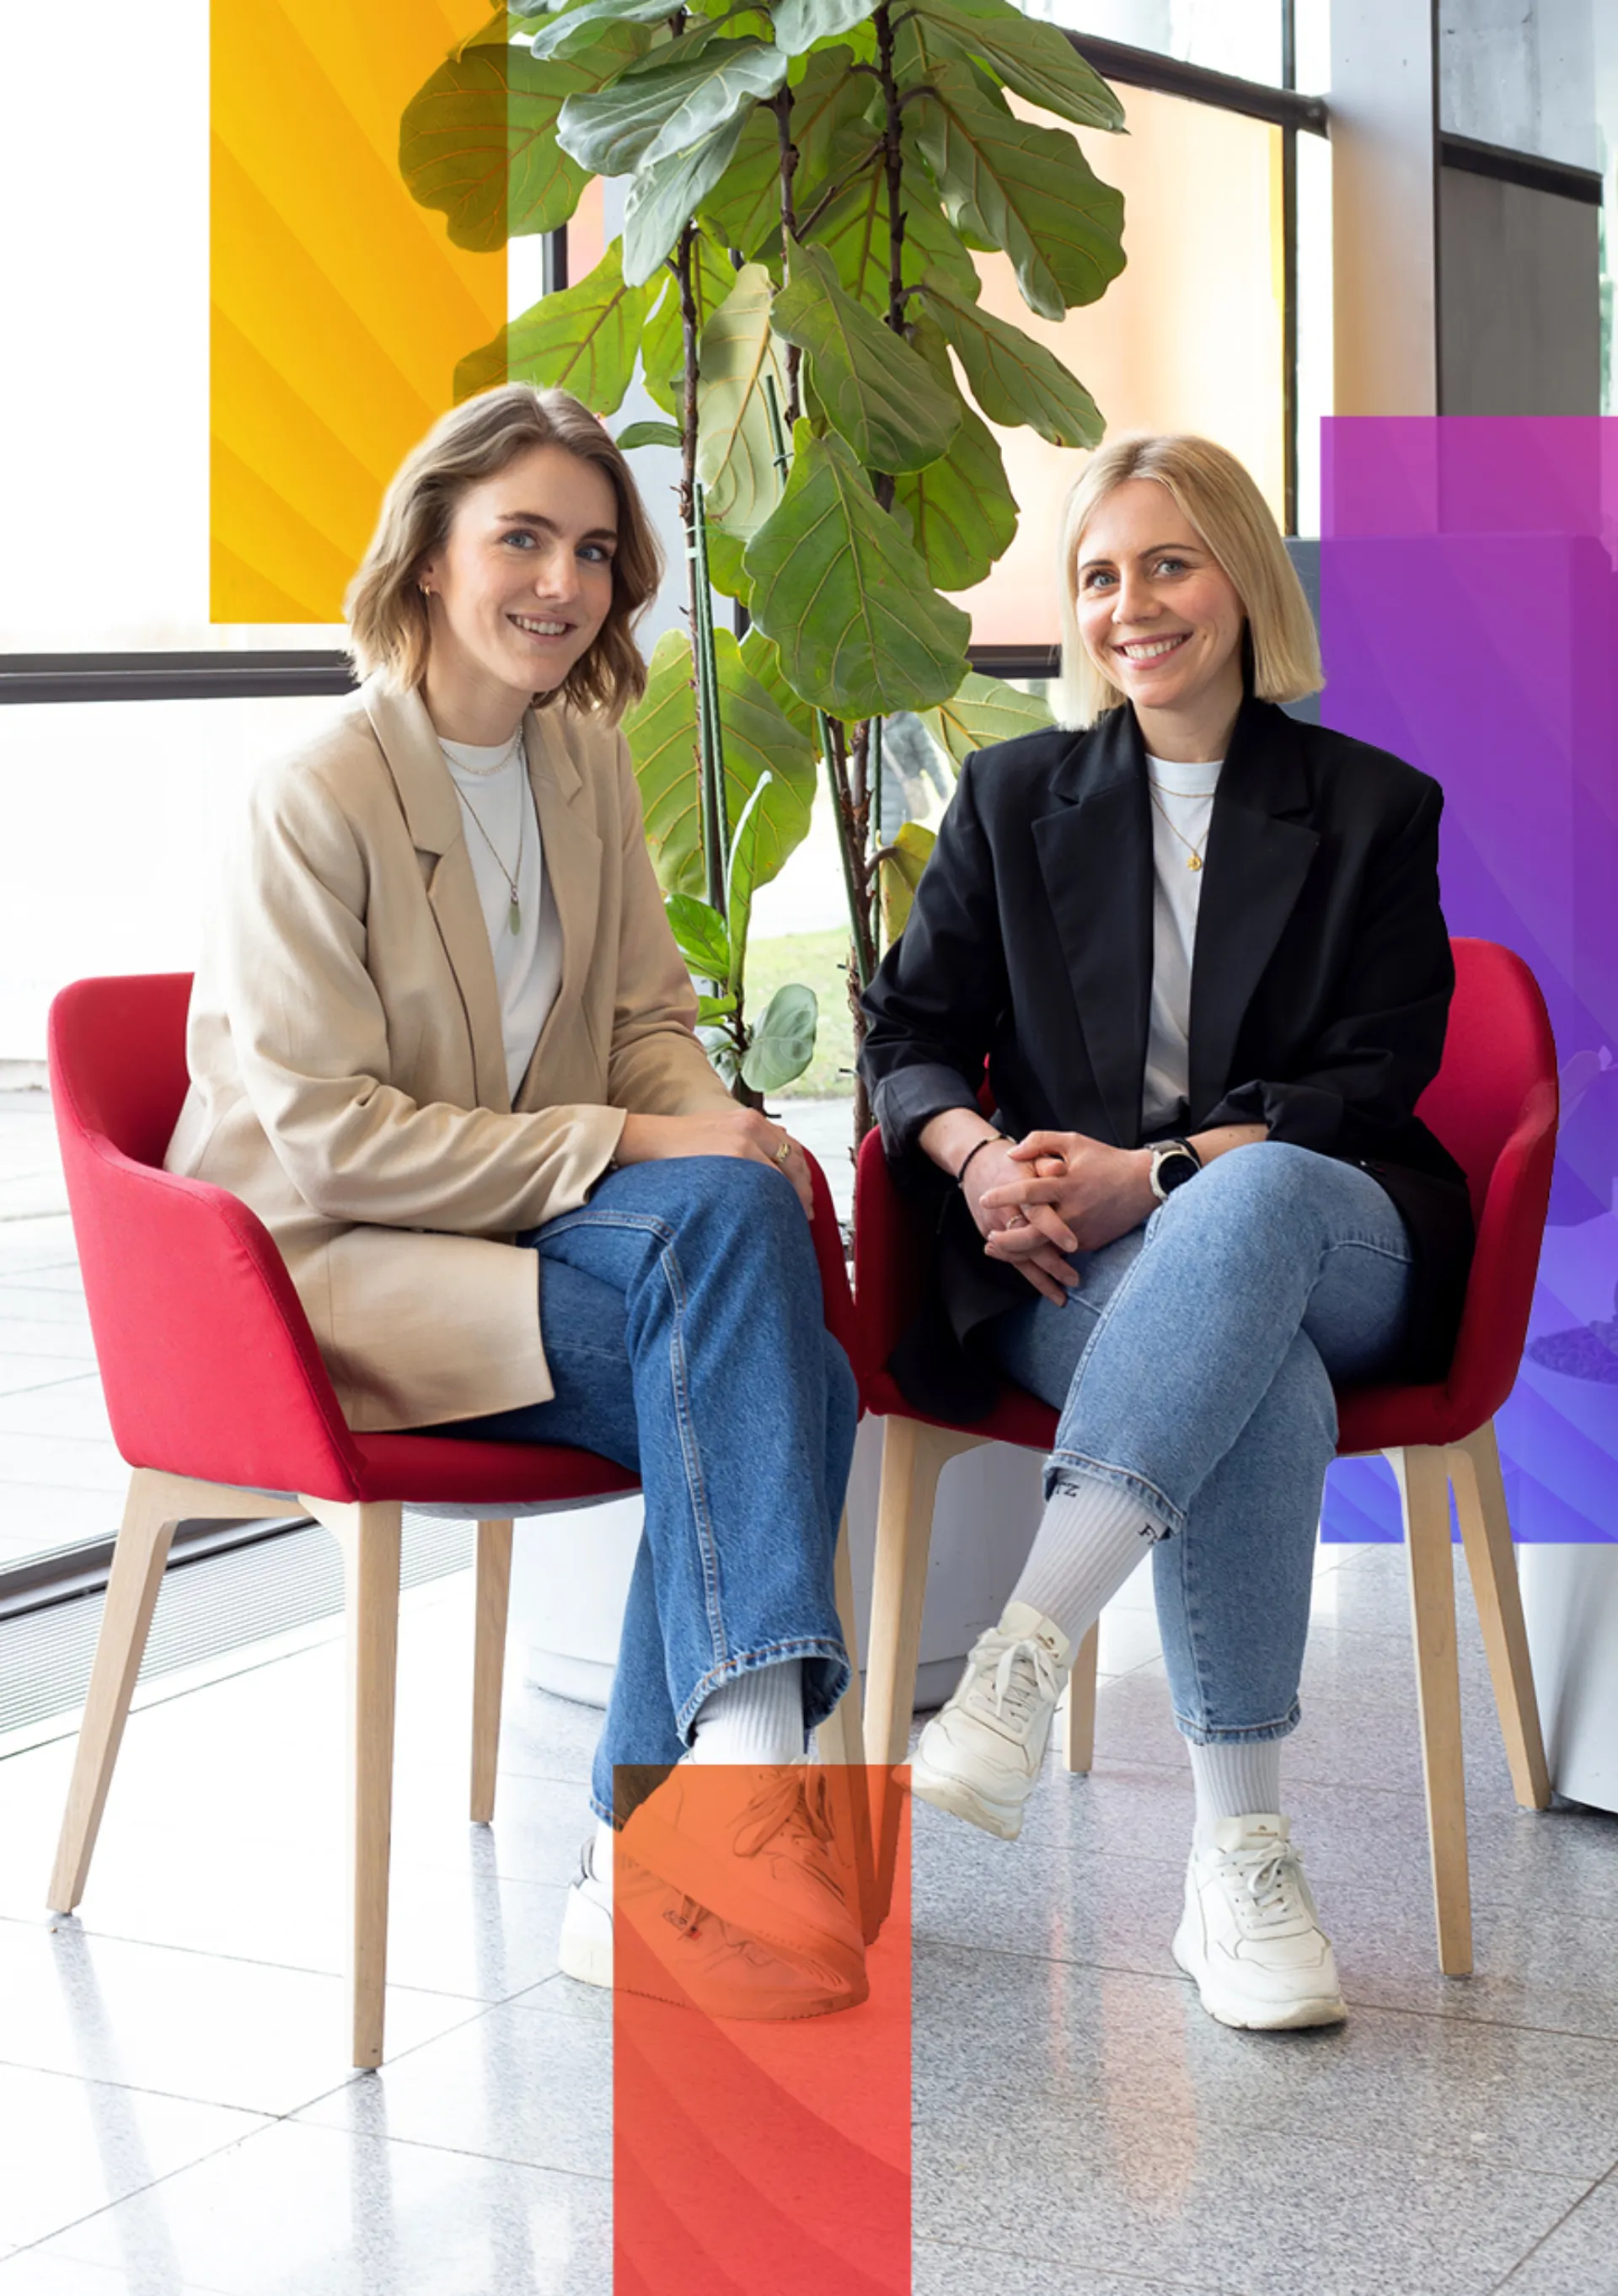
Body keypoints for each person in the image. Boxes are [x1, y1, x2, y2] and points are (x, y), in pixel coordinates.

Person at [165, 385, 864, 2017]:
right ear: (429, 555)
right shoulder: (313, 795)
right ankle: (699, 1827)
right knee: (782, 1368)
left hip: (513, 1232)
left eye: (596, 552)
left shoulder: (581, 761)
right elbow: (331, 1142)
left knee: (756, 1284)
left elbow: (639, 1025)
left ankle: (679, 1832)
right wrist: (636, 1146)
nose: (564, 583)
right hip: (337, 1270)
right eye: (523, 540)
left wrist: (711, 1125)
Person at [860, 433, 1473, 2031]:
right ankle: (1239, 1863)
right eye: (1100, 576)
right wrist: (976, 1161)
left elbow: (1371, 1080)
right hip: (1077, 1266)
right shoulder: (1012, 800)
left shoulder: (1373, 808)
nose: (1132, 604)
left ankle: (1026, 1647)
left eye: (1170, 563)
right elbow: (906, 1034)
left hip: (1336, 1233)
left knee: (1249, 1202)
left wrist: (1160, 1171)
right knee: (1258, 1382)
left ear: (1244, 578)